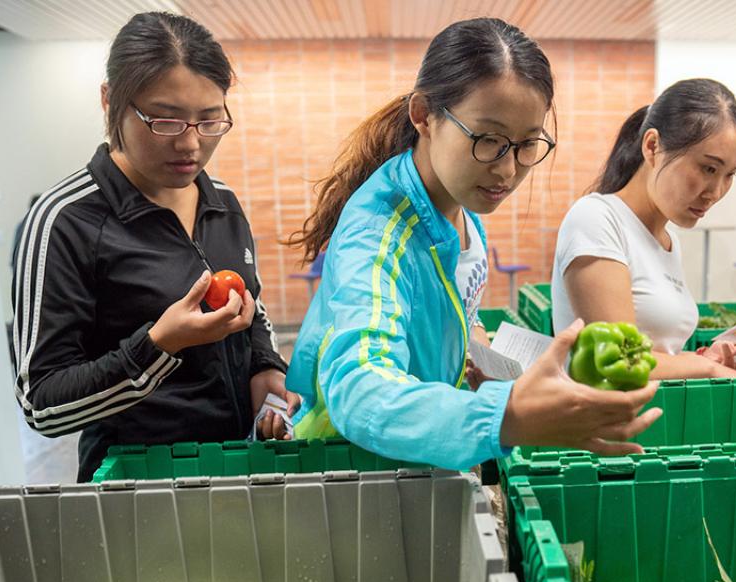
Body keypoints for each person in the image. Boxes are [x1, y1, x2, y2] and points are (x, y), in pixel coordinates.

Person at [282, 18, 661, 468]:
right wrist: (507, 416)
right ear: (424, 116)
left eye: (526, 144)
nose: (507, 171)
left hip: (420, 454)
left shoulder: (459, 202)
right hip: (356, 467)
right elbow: (361, 389)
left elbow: (458, 310)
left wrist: (487, 370)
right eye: (488, 140)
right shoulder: (378, 233)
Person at [12, 12, 295, 482]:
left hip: (238, 472)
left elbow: (253, 310)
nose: (190, 145)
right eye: (165, 121)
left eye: (210, 121)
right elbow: (43, 407)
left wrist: (266, 372)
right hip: (138, 490)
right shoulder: (65, 221)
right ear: (109, 102)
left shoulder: (221, 202)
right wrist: (159, 345)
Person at [550, 79, 736, 379]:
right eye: (708, 168)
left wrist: (710, 358)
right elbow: (615, 361)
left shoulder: (668, 241)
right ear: (652, 146)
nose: (715, 191)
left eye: (730, 175)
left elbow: (657, 355)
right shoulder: (596, 218)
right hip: (600, 422)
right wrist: (706, 368)